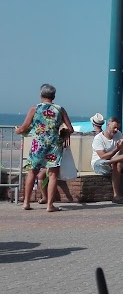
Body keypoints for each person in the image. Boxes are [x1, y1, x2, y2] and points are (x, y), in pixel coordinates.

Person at [15, 83, 74, 212]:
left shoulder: (34, 109)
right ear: (53, 96)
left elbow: (24, 127)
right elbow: (70, 129)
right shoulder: (60, 109)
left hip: (38, 145)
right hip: (54, 145)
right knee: (53, 175)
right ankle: (50, 205)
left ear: (41, 95)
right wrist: (62, 134)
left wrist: (18, 131)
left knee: (32, 172)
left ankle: (26, 202)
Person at [91, 117, 123, 203]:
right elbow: (103, 157)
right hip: (100, 164)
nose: (116, 130)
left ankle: (116, 196)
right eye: (114, 127)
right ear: (108, 125)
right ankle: (116, 195)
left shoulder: (118, 134)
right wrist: (116, 149)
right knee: (116, 161)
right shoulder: (98, 138)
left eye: (117, 128)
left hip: (113, 163)